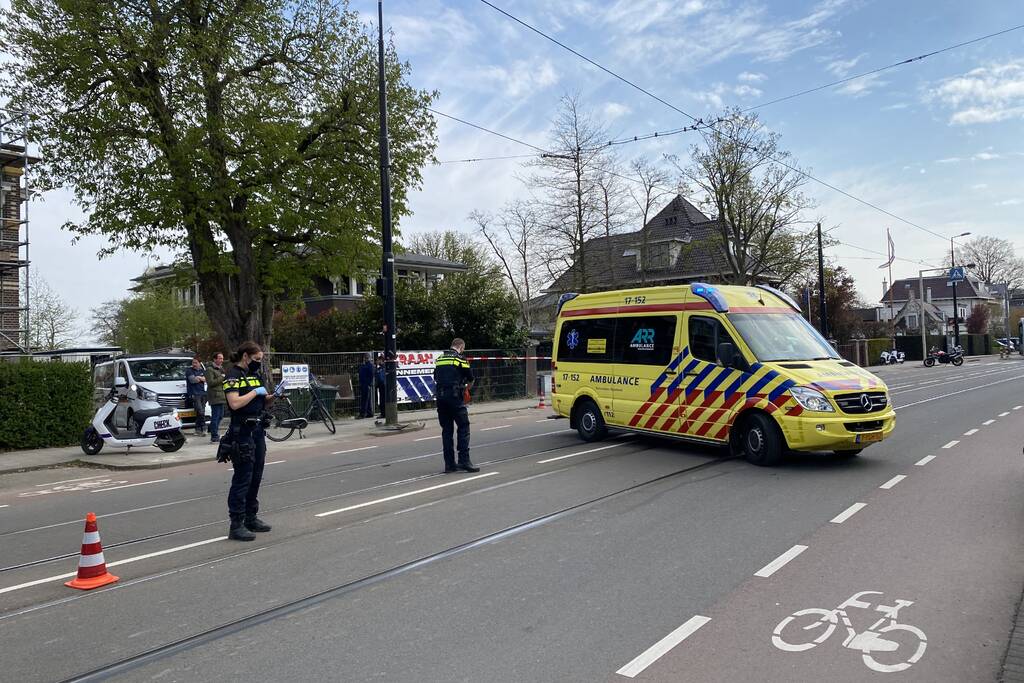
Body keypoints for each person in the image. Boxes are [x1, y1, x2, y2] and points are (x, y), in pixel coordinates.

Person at [223, 341, 274, 541]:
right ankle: (236, 524)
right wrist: (255, 392)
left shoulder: (255, 375)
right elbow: (234, 403)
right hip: (242, 432)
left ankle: (251, 517)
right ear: (245, 356)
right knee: (243, 477)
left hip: (257, 430)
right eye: (256, 360)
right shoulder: (233, 375)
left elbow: (261, 401)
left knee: (256, 475)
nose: (258, 363)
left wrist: (272, 397)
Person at [432, 338, 478, 473]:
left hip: (440, 398)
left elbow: (436, 377)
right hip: (455, 398)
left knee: (447, 431)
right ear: (461, 347)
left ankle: (449, 465)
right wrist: (466, 389)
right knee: (463, 427)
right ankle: (464, 461)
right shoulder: (460, 359)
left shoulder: (440, 359)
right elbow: (470, 378)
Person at [206, 352, 227, 442]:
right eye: (219, 358)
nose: (221, 360)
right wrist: (222, 377)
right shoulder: (210, 370)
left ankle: (212, 428)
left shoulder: (221, 368)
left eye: (222, 358)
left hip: (221, 395)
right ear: (214, 359)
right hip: (215, 395)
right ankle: (214, 436)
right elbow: (210, 382)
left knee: (220, 416)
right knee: (216, 416)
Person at [185, 356, 208, 436]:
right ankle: (204, 427)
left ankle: (197, 429)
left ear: (199, 363)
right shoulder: (189, 371)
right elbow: (193, 380)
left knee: (200, 412)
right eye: (193, 362)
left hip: (203, 393)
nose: (194, 364)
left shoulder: (203, 371)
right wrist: (200, 378)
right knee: (200, 411)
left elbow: (206, 379)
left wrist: (199, 378)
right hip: (194, 394)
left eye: (196, 363)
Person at [357, 354, 375, 419]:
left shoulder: (369, 366)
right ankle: (369, 412)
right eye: (365, 358)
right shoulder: (364, 365)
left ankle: (363, 414)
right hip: (363, 383)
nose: (365, 359)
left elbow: (371, 375)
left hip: (366, 384)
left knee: (364, 399)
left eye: (367, 358)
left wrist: (368, 384)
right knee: (367, 398)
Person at [375, 354, 386, 419]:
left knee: (383, 400)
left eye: (377, 360)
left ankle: (384, 414)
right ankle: (383, 413)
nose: (376, 361)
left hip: (383, 385)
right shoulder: (379, 368)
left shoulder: (384, 367)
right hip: (380, 386)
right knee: (381, 400)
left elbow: (382, 378)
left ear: (381, 360)